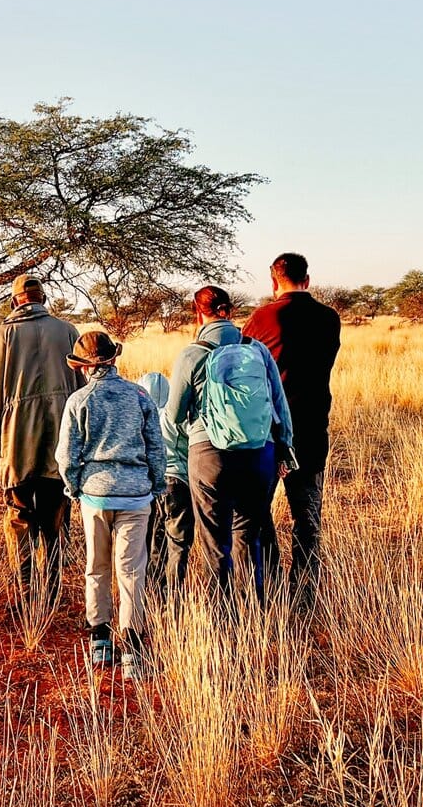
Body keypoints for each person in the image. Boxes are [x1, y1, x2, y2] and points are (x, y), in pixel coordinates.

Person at [164, 285, 292, 603]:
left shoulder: (192, 354)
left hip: (209, 455)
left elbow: (175, 412)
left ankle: (224, 621)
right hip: (259, 453)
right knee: (250, 534)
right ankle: (257, 613)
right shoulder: (258, 350)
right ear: (230, 311)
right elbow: (280, 404)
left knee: (214, 539)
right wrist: (284, 447)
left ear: (199, 313)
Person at [57, 332, 166, 679]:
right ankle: (133, 647)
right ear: (113, 359)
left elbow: (66, 456)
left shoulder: (79, 399)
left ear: (85, 366)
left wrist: (74, 487)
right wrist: (157, 484)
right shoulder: (139, 395)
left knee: (96, 566)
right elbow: (156, 447)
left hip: (95, 495)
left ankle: (100, 639)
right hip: (136, 495)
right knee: (132, 570)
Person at [0, 274, 82, 606]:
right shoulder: (67, 331)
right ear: (43, 298)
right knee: (54, 519)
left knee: (19, 516)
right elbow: (81, 388)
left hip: (18, 442)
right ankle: (52, 593)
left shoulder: (5, 333)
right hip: (60, 443)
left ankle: (25, 590)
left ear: (16, 300)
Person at [243, 252, 342, 608]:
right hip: (312, 426)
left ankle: (268, 586)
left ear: (273, 281)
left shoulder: (260, 318)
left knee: (257, 512)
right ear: (308, 279)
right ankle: (304, 594)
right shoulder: (329, 319)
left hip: (267, 431)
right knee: (308, 517)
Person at [135, 372, 194, 596]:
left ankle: (152, 590)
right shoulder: (176, 416)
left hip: (149, 484)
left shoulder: (140, 417)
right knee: (178, 541)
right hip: (178, 482)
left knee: (151, 537)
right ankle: (173, 592)